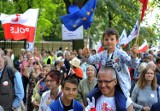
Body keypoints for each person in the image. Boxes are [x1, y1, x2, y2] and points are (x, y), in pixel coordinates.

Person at [83, 28, 139, 97]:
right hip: (104, 83)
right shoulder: (102, 54)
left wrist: (134, 56)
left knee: (121, 106)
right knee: (90, 97)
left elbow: (133, 65)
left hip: (119, 85)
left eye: (112, 39)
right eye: (106, 39)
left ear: (117, 41)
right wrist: (86, 55)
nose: (109, 41)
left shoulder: (121, 54)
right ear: (103, 41)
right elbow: (91, 60)